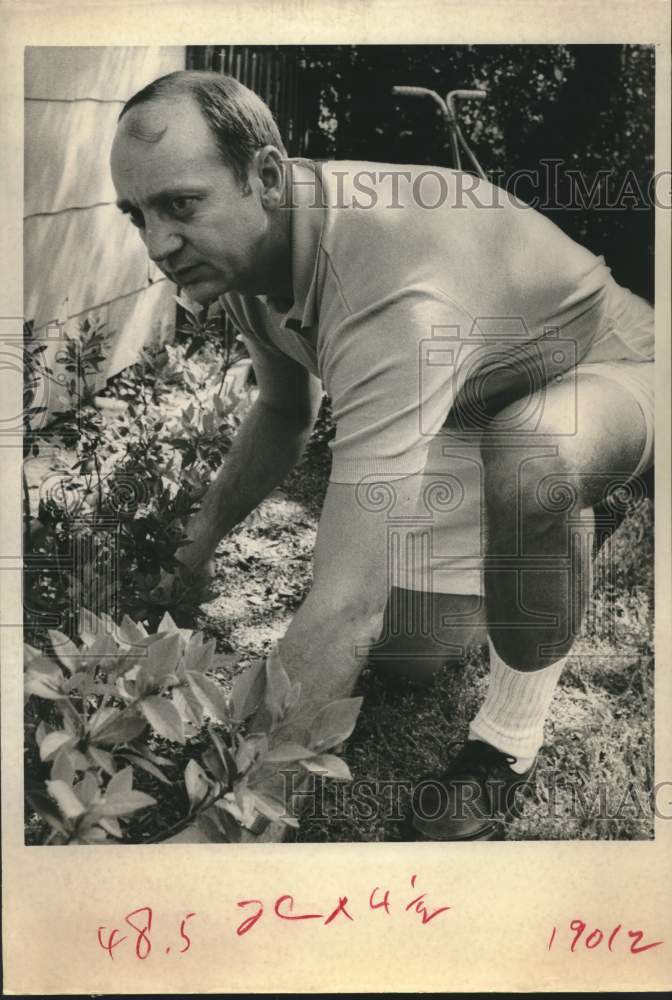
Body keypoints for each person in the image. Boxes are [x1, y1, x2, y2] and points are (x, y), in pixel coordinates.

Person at [110, 70, 654, 841]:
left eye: (180, 205)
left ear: (265, 176)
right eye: (137, 215)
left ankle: (504, 746)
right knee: (409, 656)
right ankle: (532, 538)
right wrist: (195, 549)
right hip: (474, 396)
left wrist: (226, 832)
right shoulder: (244, 254)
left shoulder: (384, 278)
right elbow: (283, 409)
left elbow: (346, 605)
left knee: (537, 457)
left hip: (609, 367)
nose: (158, 243)